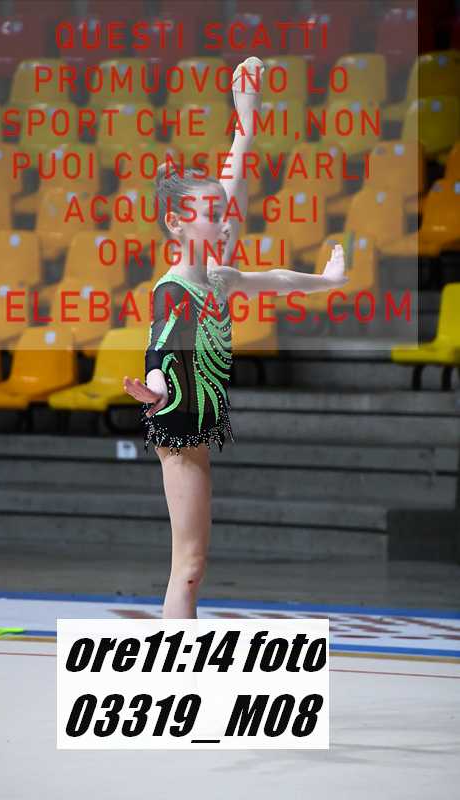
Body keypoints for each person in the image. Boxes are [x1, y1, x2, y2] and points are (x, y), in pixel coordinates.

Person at [123, 57, 348, 619]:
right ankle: (176, 666)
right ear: (177, 224)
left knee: (195, 564)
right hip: (177, 423)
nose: (225, 219)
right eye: (211, 214)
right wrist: (154, 387)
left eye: (223, 212)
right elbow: (159, 347)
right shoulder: (173, 288)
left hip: (199, 419)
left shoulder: (219, 276)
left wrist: (327, 282)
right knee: (188, 566)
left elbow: (275, 276)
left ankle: (182, 659)